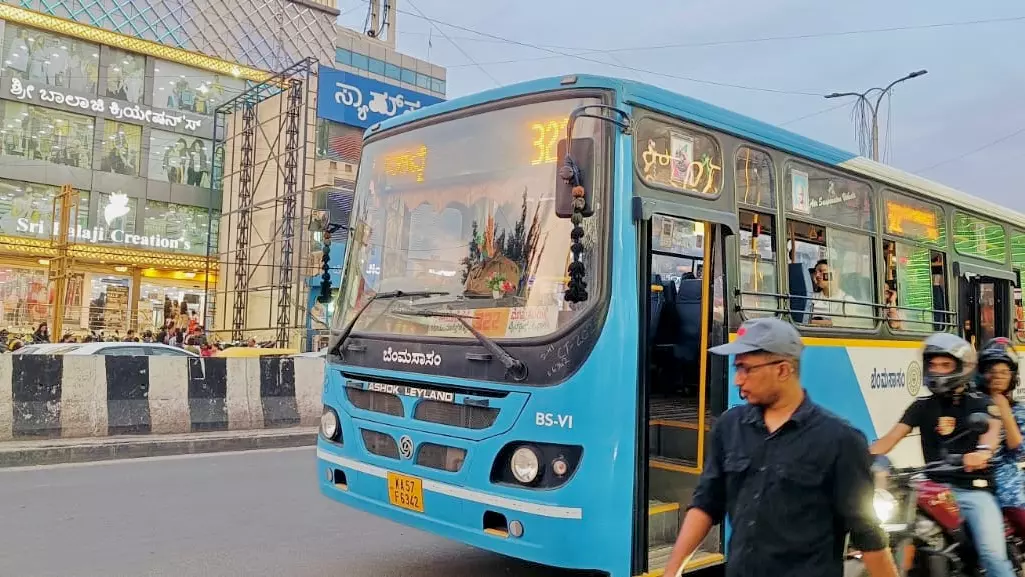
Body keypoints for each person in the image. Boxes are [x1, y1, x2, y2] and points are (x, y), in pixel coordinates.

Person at [663, 317, 897, 577]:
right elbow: (706, 505)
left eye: (746, 369)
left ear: (783, 370)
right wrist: (672, 571)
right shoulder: (729, 428)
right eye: (736, 368)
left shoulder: (841, 441)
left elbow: (868, 536)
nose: (737, 380)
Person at [871, 332, 1015, 577]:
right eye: (933, 364)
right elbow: (888, 440)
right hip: (933, 489)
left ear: (962, 367)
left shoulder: (979, 403)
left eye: (945, 364)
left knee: (992, 556)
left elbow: (991, 430)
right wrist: (855, 456)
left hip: (973, 490)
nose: (937, 370)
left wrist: (982, 452)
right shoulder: (921, 407)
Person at [976, 337, 1025, 537]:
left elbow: (1019, 449)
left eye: (1004, 372)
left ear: (1012, 376)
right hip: (968, 477)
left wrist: (1002, 406)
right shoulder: (973, 403)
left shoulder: (1018, 410)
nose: (998, 377)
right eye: (992, 372)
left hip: (1004, 481)